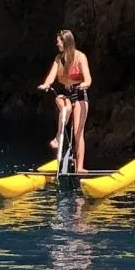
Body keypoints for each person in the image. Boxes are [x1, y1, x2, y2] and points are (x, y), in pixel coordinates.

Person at [38, 29, 92, 173]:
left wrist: (84, 85)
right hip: (64, 93)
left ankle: (79, 167)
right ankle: (58, 138)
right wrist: (46, 84)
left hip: (79, 94)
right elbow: (51, 76)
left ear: (66, 42)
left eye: (59, 41)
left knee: (78, 133)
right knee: (65, 108)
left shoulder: (80, 57)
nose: (56, 44)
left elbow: (88, 79)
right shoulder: (58, 59)